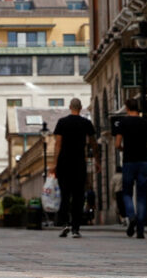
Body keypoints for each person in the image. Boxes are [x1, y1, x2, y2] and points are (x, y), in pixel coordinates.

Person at [51, 98, 100, 239]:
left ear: (69, 106)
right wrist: (97, 160)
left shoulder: (62, 122)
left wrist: (54, 163)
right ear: (81, 107)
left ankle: (65, 223)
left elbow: (58, 144)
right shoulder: (86, 123)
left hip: (64, 163)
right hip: (79, 163)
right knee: (78, 196)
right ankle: (76, 228)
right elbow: (93, 143)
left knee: (65, 195)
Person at [113, 98, 147, 239]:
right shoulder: (146, 122)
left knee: (126, 192)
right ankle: (140, 229)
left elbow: (117, 143)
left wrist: (123, 149)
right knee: (142, 195)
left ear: (127, 108)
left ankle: (131, 216)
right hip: (143, 161)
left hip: (129, 161)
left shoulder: (123, 122)